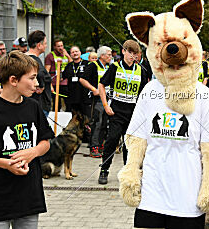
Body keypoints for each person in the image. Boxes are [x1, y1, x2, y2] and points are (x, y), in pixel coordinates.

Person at [0, 51, 54, 228]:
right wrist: (5, 163)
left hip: (29, 197)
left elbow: (46, 142)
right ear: (14, 80)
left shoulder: (33, 107)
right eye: (32, 78)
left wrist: (33, 152)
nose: (37, 83)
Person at [98, 40, 148, 184]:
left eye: (135, 53)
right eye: (129, 52)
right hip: (116, 112)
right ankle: (104, 170)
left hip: (133, 113)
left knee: (129, 145)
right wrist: (106, 105)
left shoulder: (141, 70)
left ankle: (129, 172)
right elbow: (101, 85)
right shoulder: (114, 67)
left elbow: (144, 93)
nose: (132, 56)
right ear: (123, 51)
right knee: (112, 140)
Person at [80, 46, 112, 158]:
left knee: (104, 123)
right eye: (109, 54)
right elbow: (82, 79)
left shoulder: (109, 67)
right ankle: (94, 146)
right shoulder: (93, 65)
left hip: (107, 98)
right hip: (96, 99)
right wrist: (94, 89)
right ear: (102, 55)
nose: (111, 56)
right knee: (97, 122)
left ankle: (100, 145)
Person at [25, 30, 52, 117]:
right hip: (39, 104)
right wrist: (41, 85)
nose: (46, 46)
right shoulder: (34, 60)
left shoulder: (24, 58)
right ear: (39, 45)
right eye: (45, 43)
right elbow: (39, 74)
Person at [44, 39, 72, 112]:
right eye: (58, 46)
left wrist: (68, 56)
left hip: (65, 82)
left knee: (68, 102)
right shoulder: (50, 56)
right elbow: (46, 71)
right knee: (57, 103)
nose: (61, 48)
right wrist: (49, 84)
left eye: (62, 46)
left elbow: (73, 65)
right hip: (54, 82)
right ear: (54, 47)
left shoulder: (66, 55)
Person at [62, 46, 90, 114]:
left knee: (85, 116)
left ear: (80, 53)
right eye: (73, 52)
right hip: (72, 96)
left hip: (84, 96)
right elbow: (63, 77)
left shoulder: (87, 64)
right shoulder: (69, 66)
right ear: (70, 54)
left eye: (76, 51)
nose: (75, 53)